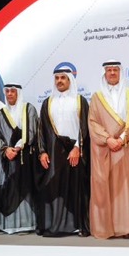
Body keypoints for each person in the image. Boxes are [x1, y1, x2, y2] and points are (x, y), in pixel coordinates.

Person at [88, 60, 129, 239]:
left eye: (115, 70)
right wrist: (108, 139)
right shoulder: (97, 97)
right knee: (107, 189)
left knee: (127, 190)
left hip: (126, 148)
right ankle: (109, 228)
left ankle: (128, 227)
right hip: (105, 150)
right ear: (104, 73)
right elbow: (93, 122)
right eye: (109, 70)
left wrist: (121, 139)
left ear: (120, 72)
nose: (112, 73)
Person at [37, 67, 90, 237]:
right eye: (57, 78)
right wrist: (42, 151)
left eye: (63, 78)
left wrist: (78, 147)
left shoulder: (80, 101)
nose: (59, 81)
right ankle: (56, 225)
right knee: (54, 188)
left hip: (75, 151)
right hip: (54, 152)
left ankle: (77, 225)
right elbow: (41, 129)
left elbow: (85, 127)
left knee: (76, 187)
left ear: (69, 80)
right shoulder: (48, 102)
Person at [0, 83, 39, 234]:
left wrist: (17, 148)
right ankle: (9, 225)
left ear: (18, 93)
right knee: (8, 189)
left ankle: (27, 224)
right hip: (7, 159)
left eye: (13, 91)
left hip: (25, 157)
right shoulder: (1, 113)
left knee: (25, 187)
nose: (10, 94)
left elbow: (32, 131)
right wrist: (6, 149)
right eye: (7, 91)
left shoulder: (28, 109)